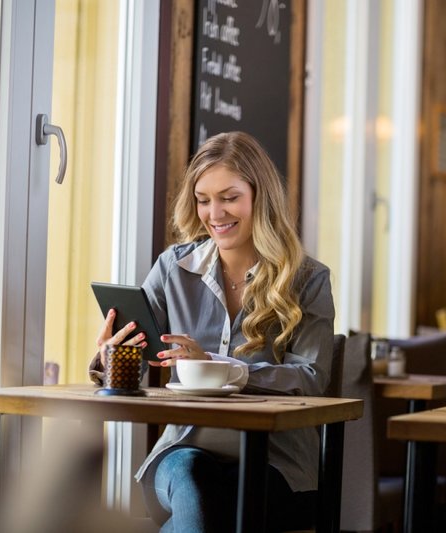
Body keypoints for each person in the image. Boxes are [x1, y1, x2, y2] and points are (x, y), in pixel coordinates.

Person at [89, 131, 335, 532]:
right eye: (203, 200)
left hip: (276, 461)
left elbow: (311, 379)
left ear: (261, 196)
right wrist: (112, 355)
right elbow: (136, 360)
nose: (214, 214)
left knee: (213, 506)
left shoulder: (308, 279)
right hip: (185, 451)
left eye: (229, 197)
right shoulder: (173, 268)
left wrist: (218, 368)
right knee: (193, 481)